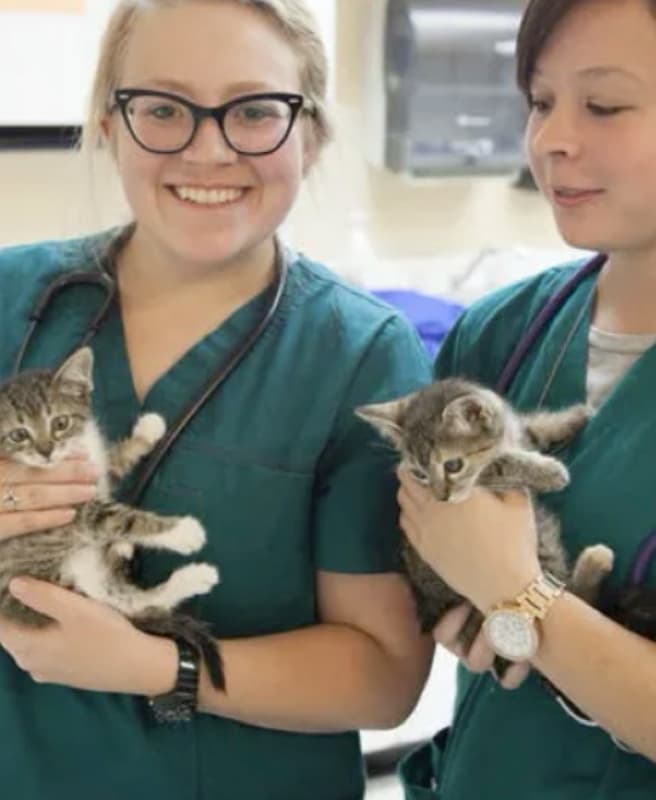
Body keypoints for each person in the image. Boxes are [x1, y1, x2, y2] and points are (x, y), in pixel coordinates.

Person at [0, 1, 433, 798]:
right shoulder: (10, 298)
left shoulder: (359, 357)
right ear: (107, 124)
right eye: (162, 109)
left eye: (254, 111)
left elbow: (383, 675)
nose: (208, 150)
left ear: (312, 134)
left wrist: (158, 666)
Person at [397, 0, 656, 798]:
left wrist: (522, 599)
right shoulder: (499, 334)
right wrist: (459, 608)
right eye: (541, 101)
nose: (551, 140)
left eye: (605, 105)